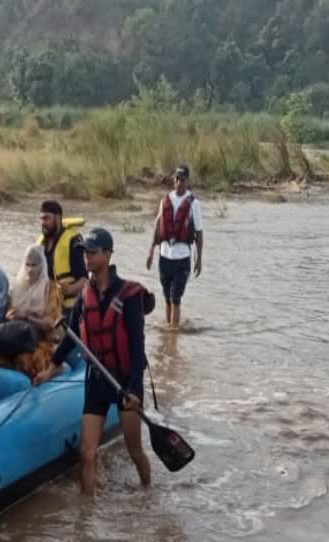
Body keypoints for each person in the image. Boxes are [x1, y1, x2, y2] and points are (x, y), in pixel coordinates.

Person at [35, 228, 155, 494]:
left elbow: (138, 347)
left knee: (134, 450)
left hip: (124, 383)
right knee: (87, 453)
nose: (87, 258)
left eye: (92, 252)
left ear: (108, 254)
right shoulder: (85, 293)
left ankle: (148, 494)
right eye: (85, 253)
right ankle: (86, 520)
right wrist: (51, 369)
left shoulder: (128, 296)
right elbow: (72, 336)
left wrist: (135, 388)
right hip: (97, 380)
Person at [0, 245, 63, 378]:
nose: (30, 270)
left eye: (34, 265)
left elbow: (50, 323)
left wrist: (28, 317)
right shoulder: (17, 288)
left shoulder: (51, 289)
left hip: (41, 339)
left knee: (26, 359)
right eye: (27, 264)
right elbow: (7, 314)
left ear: (42, 266)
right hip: (16, 337)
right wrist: (10, 316)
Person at [146, 164, 204, 329]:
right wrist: (151, 251)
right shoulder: (165, 200)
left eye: (183, 179)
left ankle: (173, 336)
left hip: (182, 258)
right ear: (174, 179)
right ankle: (169, 333)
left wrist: (199, 259)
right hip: (165, 257)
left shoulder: (194, 204)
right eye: (177, 179)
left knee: (175, 298)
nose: (179, 182)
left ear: (187, 181)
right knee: (166, 298)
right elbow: (158, 225)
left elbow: (199, 233)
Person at [37, 200, 87, 313]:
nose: (43, 223)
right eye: (41, 219)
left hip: (69, 307)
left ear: (58, 218)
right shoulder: (40, 244)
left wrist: (69, 290)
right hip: (46, 305)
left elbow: (85, 281)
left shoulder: (73, 241)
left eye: (46, 218)